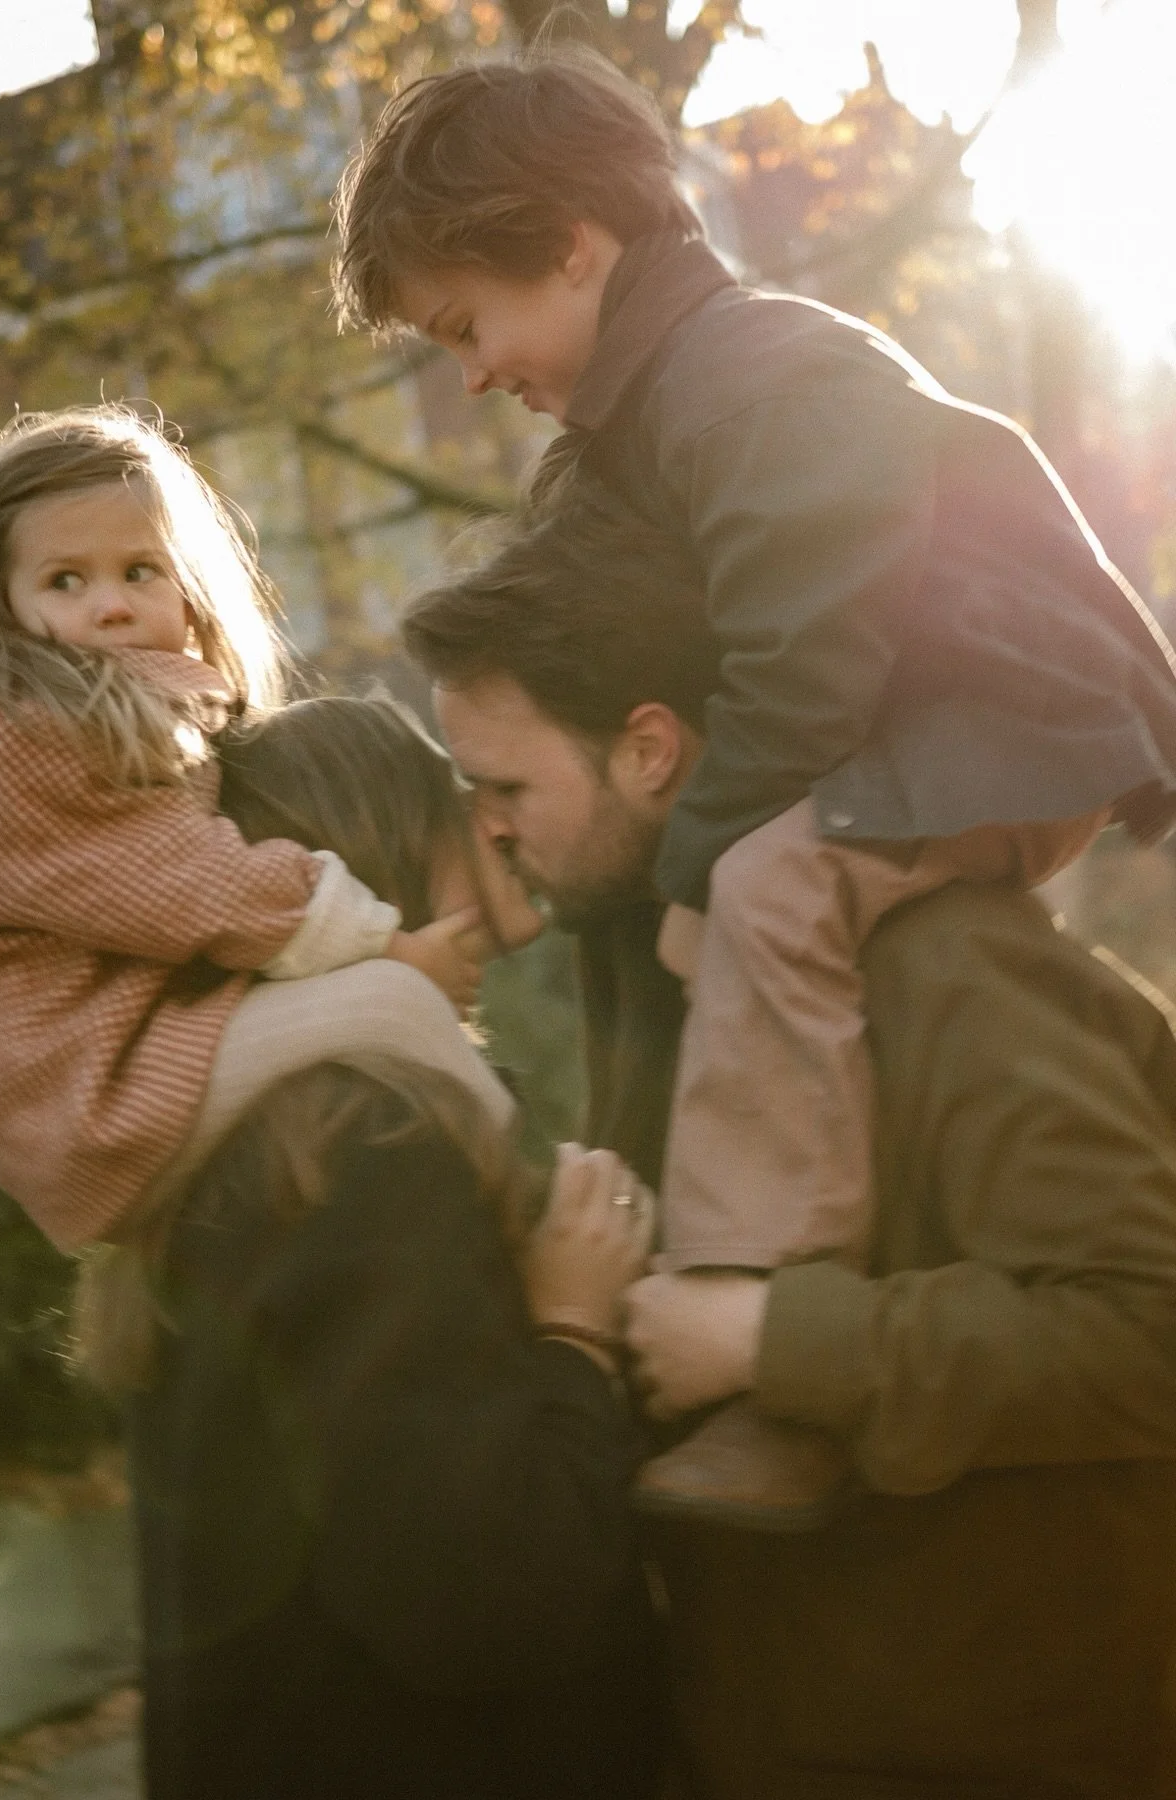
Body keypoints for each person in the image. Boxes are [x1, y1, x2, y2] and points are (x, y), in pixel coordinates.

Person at [334, 48, 1176, 1521]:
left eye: (471, 324)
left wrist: (697, 857)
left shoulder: (750, 373)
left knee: (755, 895)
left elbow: (806, 657)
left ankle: (751, 1320)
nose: (469, 373)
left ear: (574, 247)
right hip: (936, 730)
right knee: (715, 908)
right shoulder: (658, 410)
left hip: (999, 722)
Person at [402, 515, 1176, 1797]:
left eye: (506, 788)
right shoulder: (666, 971)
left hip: (1006, 1752)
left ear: (649, 748)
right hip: (779, 1735)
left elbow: (1149, 1329)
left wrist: (773, 1341)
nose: (484, 828)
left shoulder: (951, 969)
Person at [75, 693, 665, 1800]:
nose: (489, 831)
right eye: (451, 802)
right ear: (362, 868)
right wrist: (576, 1329)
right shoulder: (371, 1157)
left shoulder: (243, 1151)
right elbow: (481, 1596)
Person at [0, 405, 483, 1251]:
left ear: (187, 586)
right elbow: (197, 884)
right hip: (90, 1097)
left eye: (141, 570)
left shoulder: (135, 713)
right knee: (397, 1007)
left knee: (385, 1033)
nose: (110, 605)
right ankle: (531, 1217)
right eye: (66, 581)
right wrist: (390, 948)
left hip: (143, 1049)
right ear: (1, 603)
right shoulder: (16, 738)